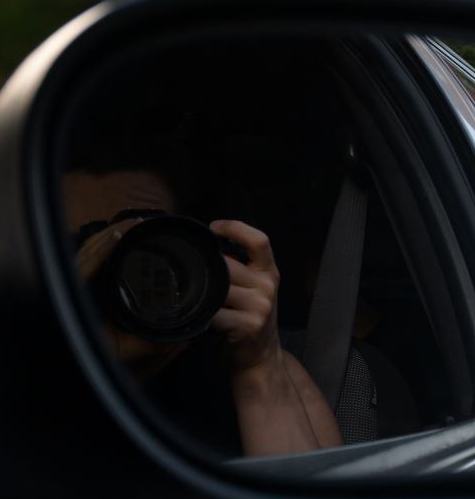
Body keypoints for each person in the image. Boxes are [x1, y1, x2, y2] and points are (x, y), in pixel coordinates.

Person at [63, 166, 343, 457]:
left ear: (195, 255)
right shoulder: (23, 366)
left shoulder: (253, 363)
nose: (121, 271)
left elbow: (313, 494)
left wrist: (259, 366)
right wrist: (74, 366)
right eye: (77, 248)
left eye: (141, 241)